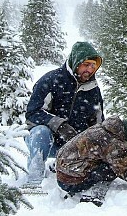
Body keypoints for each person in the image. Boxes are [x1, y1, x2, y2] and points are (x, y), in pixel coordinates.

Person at [23, 41, 104, 189]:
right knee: (40, 132)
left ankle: (62, 165)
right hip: (49, 141)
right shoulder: (51, 80)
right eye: (86, 64)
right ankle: (33, 182)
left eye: (93, 66)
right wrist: (59, 125)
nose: (90, 69)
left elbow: (99, 124)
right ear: (76, 62)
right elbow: (33, 113)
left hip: (75, 145)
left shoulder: (93, 90)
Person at [56, 116, 127, 206]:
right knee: (111, 170)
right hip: (69, 181)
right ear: (125, 137)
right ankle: (93, 191)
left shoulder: (107, 129)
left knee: (111, 161)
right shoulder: (112, 144)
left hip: (67, 166)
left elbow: (125, 153)